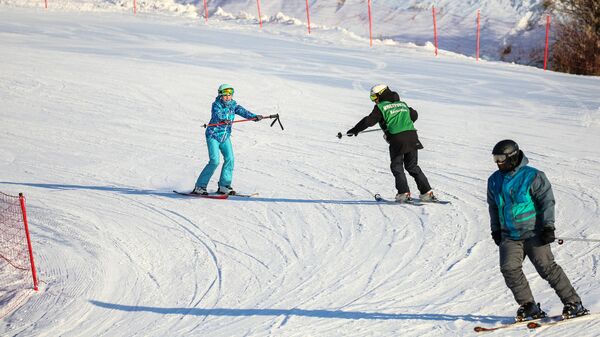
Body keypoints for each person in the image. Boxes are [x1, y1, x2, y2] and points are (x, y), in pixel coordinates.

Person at [487, 139, 588, 321]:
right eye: (495, 158)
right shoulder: (494, 180)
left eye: (501, 157)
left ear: (512, 156)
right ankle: (528, 306)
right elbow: (493, 206)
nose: (497, 162)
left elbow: (546, 202)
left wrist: (548, 226)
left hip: (534, 232)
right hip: (509, 234)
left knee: (547, 268)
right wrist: (495, 229)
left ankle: (573, 303)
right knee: (509, 268)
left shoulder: (533, 176)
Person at [346, 84, 437, 203]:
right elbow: (414, 115)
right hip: (412, 136)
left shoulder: (381, 107)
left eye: (374, 97)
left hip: (397, 139)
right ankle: (427, 193)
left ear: (381, 94)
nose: (374, 100)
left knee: (397, 166)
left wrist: (355, 130)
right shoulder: (402, 104)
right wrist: (401, 122)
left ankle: (403, 193)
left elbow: (368, 121)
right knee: (412, 166)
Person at [192, 84, 263, 195]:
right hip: (213, 135)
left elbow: (244, 112)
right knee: (215, 161)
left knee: (230, 159)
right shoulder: (216, 105)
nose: (228, 97)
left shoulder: (234, 105)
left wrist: (254, 117)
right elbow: (217, 115)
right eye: (225, 95)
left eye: (230, 95)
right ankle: (199, 187)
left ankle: (224, 186)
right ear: (220, 95)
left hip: (225, 136)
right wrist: (223, 119)